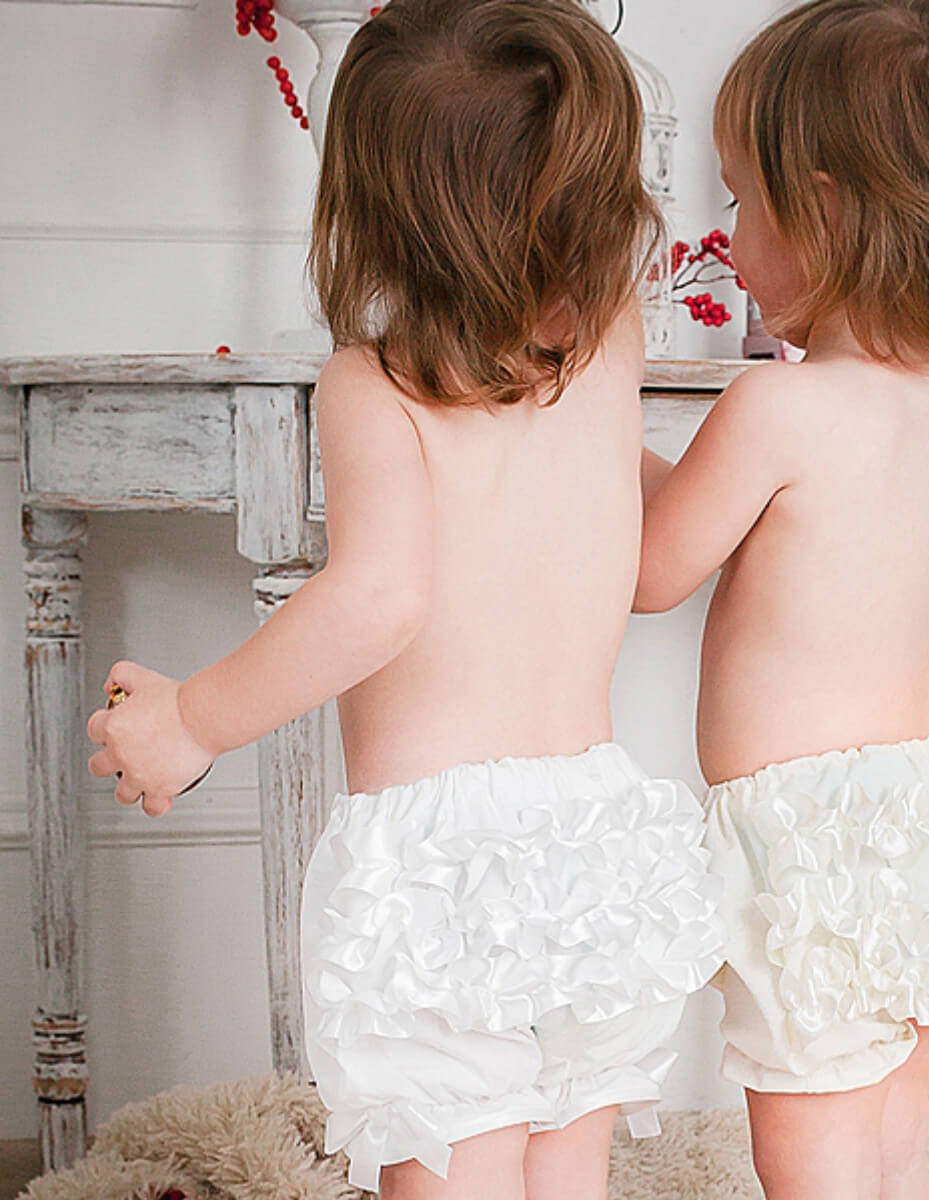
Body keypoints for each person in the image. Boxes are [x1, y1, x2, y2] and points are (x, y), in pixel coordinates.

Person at [85, 2, 722, 1197]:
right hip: (602, 829)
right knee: (567, 1154)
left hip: (442, 859)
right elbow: (610, 521)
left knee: (448, 1158)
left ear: (373, 206)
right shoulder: (607, 341)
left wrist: (194, 719)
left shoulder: (371, 384)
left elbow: (379, 597)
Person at [636, 2, 929, 1197]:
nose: (723, 240)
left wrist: (600, 419)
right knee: (890, 1129)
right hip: (924, 805)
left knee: (811, 1134)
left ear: (820, 208)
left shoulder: (779, 410)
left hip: (806, 838)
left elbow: (652, 567)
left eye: (738, 200)